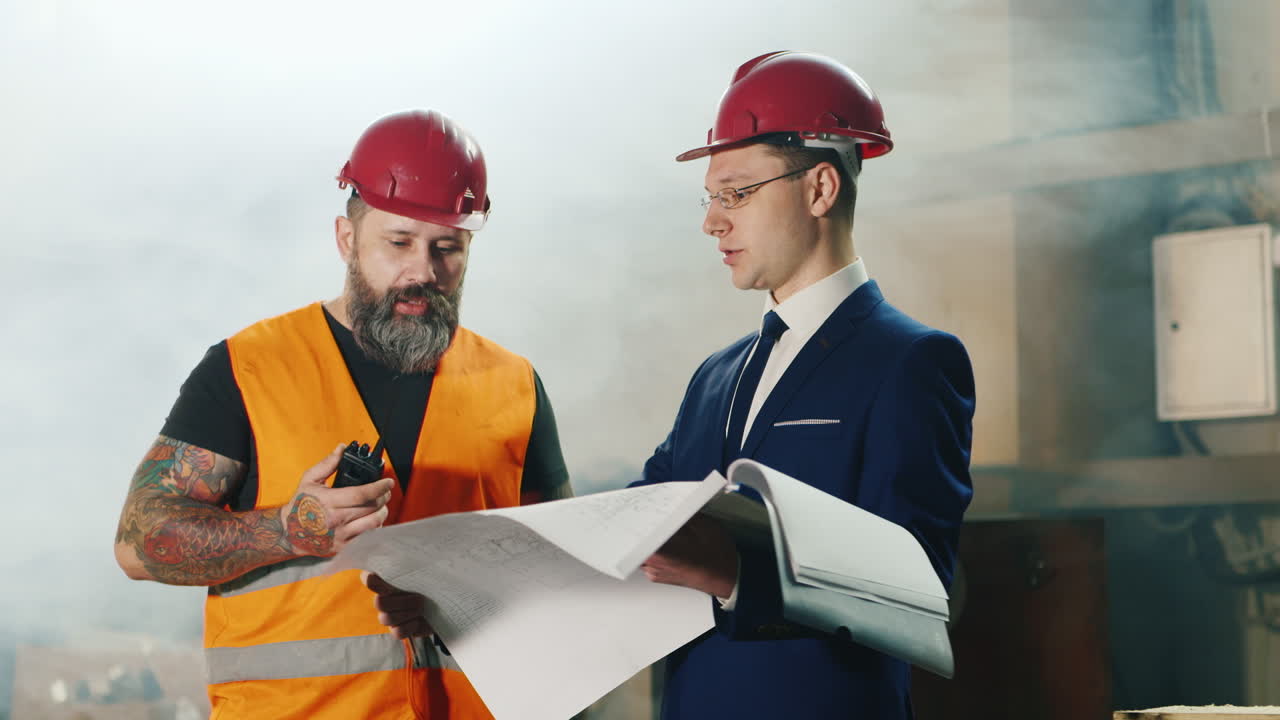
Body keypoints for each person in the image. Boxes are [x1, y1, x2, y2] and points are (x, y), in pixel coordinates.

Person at [113, 109, 571, 720]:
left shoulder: (515, 385)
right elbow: (138, 543)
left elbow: (562, 574)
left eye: (448, 249)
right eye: (399, 243)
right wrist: (284, 530)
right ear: (347, 238)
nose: (424, 273)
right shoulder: (249, 369)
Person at [633, 51, 976, 719]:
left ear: (820, 189)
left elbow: (923, 594)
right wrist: (465, 599)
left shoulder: (910, 363)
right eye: (710, 197)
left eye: (736, 193)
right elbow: (631, 530)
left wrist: (736, 577)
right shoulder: (716, 377)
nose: (712, 220)